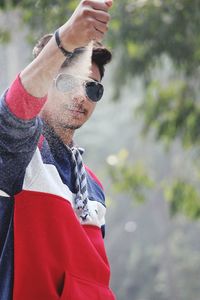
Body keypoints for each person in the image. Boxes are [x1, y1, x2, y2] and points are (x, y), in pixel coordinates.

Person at [0, 0, 116, 299]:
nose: (82, 95)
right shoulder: (22, 153)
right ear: (45, 84)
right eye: (69, 82)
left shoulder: (94, 186)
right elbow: (12, 115)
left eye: (93, 88)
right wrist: (65, 41)